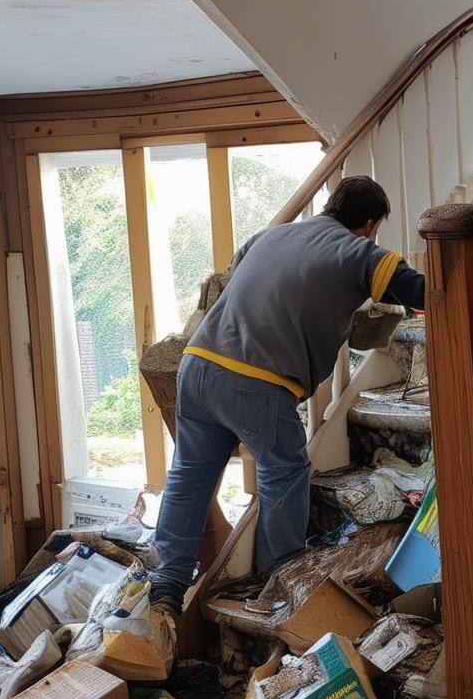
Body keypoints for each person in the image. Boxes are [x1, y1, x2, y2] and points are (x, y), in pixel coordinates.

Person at [149, 176, 425, 614]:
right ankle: (277, 584)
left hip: (198, 363)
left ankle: (166, 587)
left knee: (190, 474)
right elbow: (420, 289)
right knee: (285, 471)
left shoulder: (271, 234)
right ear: (370, 225)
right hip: (254, 379)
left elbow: (257, 285)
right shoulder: (356, 251)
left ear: (332, 206)